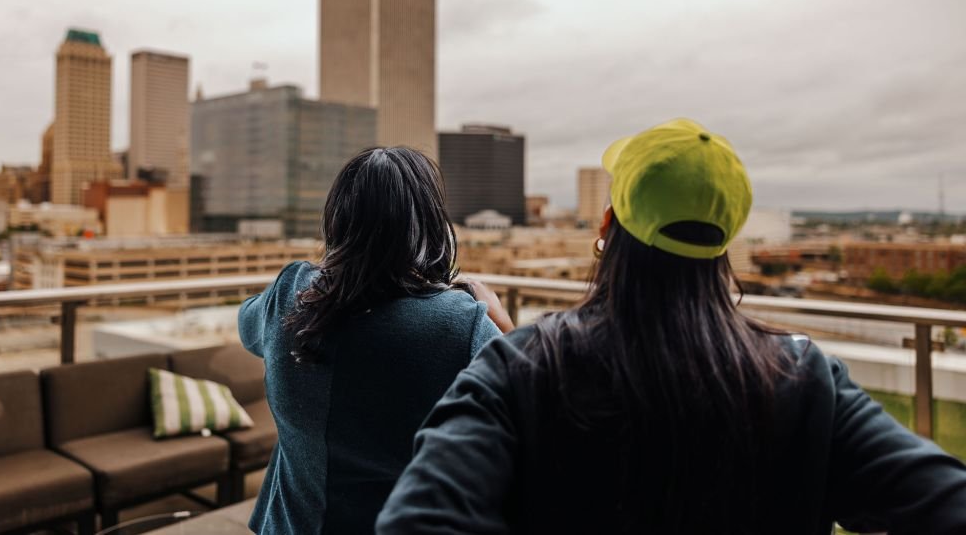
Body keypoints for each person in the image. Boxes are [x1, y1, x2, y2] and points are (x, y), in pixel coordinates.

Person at [377, 119, 966, 534]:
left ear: (607, 223)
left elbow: (417, 518)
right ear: (727, 238)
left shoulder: (520, 368)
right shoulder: (806, 379)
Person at [238, 147, 513, 534]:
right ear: (430, 225)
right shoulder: (460, 324)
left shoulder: (290, 295)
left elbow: (247, 327)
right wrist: (499, 318)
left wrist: (331, 277)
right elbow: (533, 404)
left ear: (338, 221)